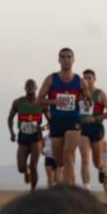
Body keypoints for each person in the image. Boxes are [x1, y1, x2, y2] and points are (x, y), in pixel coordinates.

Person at [37, 48, 90, 186]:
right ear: (59, 60)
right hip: (57, 121)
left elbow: (88, 100)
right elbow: (40, 100)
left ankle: (67, 189)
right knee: (60, 160)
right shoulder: (51, 79)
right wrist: (55, 102)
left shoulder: (79, 81)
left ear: (73, 59)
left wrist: (87, 102)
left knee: (68, 154)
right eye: (63, 57)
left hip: (73, 120)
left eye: (68, 57)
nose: (66, 59)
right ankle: (71, 178)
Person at [79, 69, 107, 191]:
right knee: (84, 159)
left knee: (97, 162)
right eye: (84, 78)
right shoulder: (78, 94)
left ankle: (103, 168)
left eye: (89, 77)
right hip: (82, 128)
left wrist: (97, 117)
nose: (87, 80)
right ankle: (86, 189)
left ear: (94, 79)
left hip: (96, 128)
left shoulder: (100, 94)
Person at [7, 79, 45, 192]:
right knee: (21, 167)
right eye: (28, 86)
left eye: (32, 85)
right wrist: (12, 133)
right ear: (25, 88)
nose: (30, 87)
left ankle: (33, 191)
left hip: (36, 137)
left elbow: (51, 120)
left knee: (34, 165)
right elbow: (10, 118)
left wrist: (43, 128)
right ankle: (26, 171)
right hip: (23, 136)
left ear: (36, 88)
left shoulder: (42, 103)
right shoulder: (18, 102)